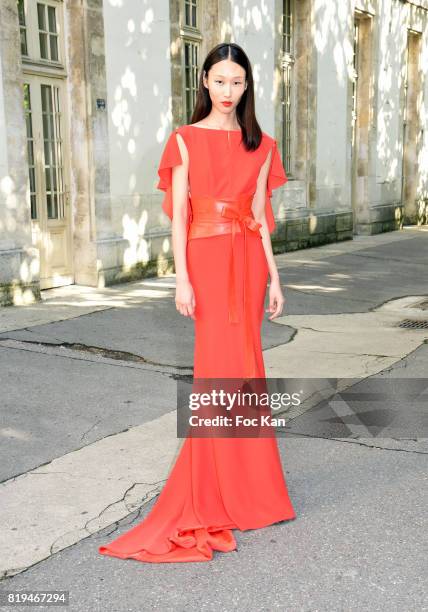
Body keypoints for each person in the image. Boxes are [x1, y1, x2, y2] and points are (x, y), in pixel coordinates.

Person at [98, 42, 296, 563]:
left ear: (246, 86)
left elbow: (260, 218)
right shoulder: (184, 139)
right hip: (206, 263)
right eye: (220, 80)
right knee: (217, 369)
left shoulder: (264, 144)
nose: (229, 91)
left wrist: (275, 279)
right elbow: (180, 217)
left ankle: (254, 493)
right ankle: (213, 488)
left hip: (249, 263)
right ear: (204, 81)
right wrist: (180, 281)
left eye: (238, 82)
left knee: (249, 369)